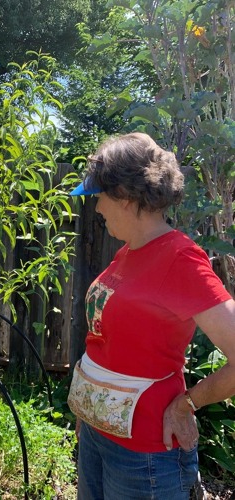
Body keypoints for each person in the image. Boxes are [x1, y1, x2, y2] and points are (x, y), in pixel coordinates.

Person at [67, 132, 235, 499]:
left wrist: (187, 402)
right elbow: (107, 343)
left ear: (125, 198)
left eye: (99, 198)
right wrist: (89, 409)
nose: (97, 209)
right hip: (98, 438)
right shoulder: (126, 254)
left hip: (144, 458)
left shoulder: (181, 260)